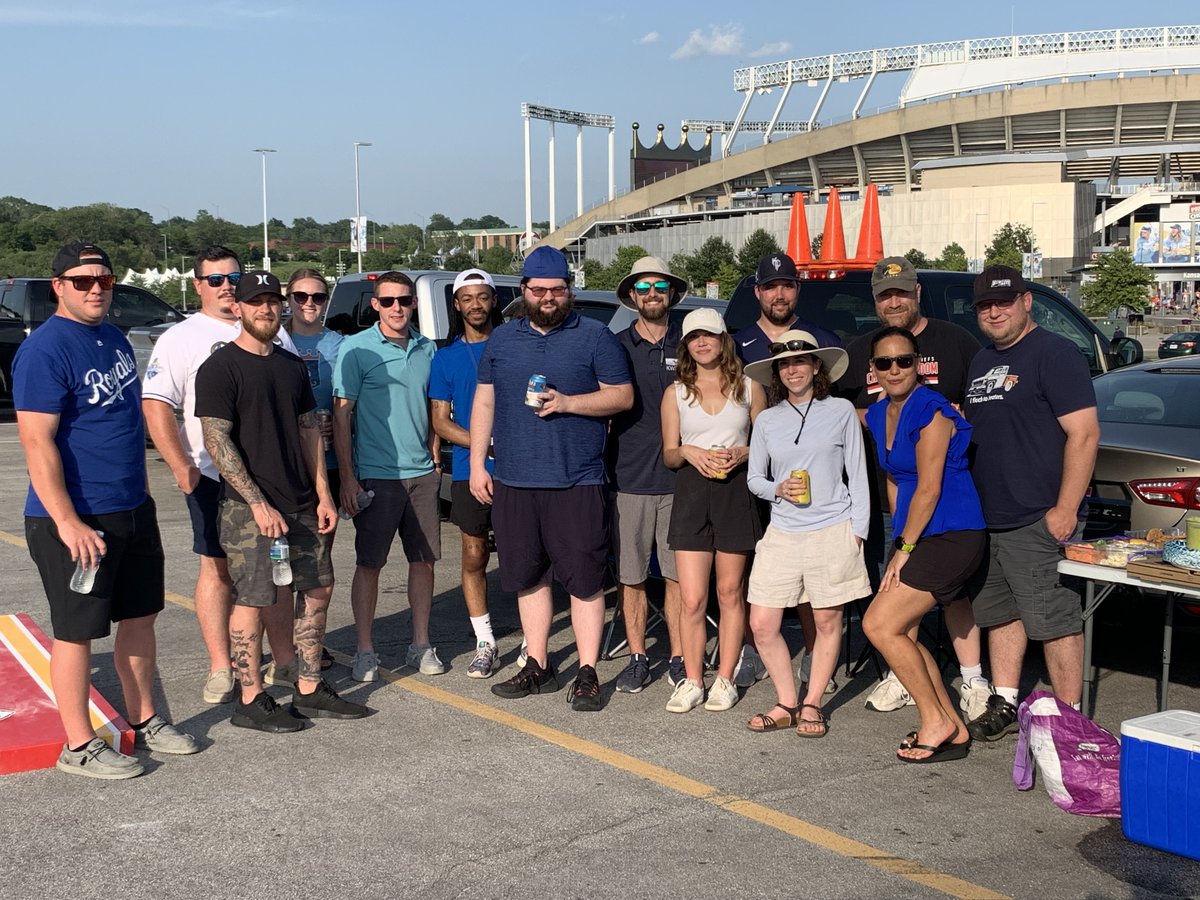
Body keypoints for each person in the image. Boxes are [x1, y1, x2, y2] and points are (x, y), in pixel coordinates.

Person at [16, 241, 198, 779]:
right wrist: (69, 522)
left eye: (105, 280)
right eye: (82, 281)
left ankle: (144, 720)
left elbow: (124, 421)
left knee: (141, 617)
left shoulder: (113, 337)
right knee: (77, 631)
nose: (96, 289)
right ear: (58, 286)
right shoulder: (46, 349)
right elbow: (36, 442)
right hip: (74, 517)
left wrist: (142, 489)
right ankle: (77, 745)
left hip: (130, 508)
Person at [196, 271, 366, 731]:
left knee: (317, 588)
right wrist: (256, 503)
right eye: (256, 302)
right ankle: (251, 698)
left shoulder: (291, 366)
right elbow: (217, 442)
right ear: (238, 308)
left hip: (301, 501)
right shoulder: (220, 367)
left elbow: (311, 430)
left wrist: (323, 495)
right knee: (253, 597)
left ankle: (308, 687)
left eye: (273, 302)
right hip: (248, 507)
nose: (266, 310)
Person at [469, 246, 632, 712]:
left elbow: (621, 397)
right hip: (516, 480)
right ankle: (537, 664)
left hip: (577, 480)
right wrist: (480, 463)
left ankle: (587, 671)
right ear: (523, 291)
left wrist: (568, 403)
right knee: (528, 576)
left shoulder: (597, 337)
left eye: (557, 290)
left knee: (584, 580)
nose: (547, 298)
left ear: (569, 291)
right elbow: (485, 403)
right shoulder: (501, 340)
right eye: (538, 290)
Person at [142, 246, 298, 705]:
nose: (226, 286)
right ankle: (221, 666)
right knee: (218, 570)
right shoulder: (181, 337)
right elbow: (156, 404)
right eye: (215, 280)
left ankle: (284, 659)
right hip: (214, 478)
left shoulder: (270, 328)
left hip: (273, 481)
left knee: (277, 571)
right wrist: (181, 466)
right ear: (197, 286)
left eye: (233, 277)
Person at [839, 256, 989, 719]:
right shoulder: (867, 365)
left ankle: (970, 685)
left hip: (949, 515)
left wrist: (905, 546)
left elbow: (977, 410)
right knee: (895, 616)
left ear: (918, 292)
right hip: (904, 514)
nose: (893, 367)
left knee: (935, 602)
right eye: (885, 294)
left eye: (902, 291)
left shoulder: (952, 349)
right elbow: (844, 411)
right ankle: (915, 692)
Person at [963, 265, 1100, 741]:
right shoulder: (982, 361)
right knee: (1000, 613)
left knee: (1053, 618)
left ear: (1027, 302)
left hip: (1039, 515)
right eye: (985, 306)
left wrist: (1065, 509)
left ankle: (1069, 719)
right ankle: (1005, 698)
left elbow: (1083, 435)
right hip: (990, 517)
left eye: (1003, 302)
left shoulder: (1055, 354)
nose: (994, 312)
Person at [860, 326, 985, 762]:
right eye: (884, 362)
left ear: (919, 364)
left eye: (904, 361)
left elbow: (929, 488)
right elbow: (897, 479)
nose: (894, 370)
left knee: (879, 625)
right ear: (873, 369)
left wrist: (904, 549)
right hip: (919, 533)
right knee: (896, 631)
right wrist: (901, 537)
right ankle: (951, 727)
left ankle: (935, 720)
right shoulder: (878, 414)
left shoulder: (931, 410)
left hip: (952, 531)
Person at [742, 330, 870, 737]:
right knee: (762, 623)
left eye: (801, 362)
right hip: (782, 530)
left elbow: (858, 474)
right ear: (777, 372)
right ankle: (786, 701)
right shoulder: (767, 420)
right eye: (784, 364)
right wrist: (777, 488)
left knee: (828, 621)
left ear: (817, 366)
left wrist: (858, 532)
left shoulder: (841, 411)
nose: (793, 369)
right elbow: (754, 479)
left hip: (833, 528)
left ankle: (812, 703)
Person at [732, 252, 840, 689]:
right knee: (747, 571)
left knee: (811, 582)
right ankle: (752, 650)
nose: (779, 293)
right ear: (757, 292)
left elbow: (843, 408)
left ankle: (814, 657)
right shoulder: (736, 344)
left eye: (788, 285)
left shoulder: (821, 339)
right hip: (753, 474)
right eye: (771, 286)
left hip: (809, 483)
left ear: (797, 289)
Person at [333, 272, 442, 683]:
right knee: (370, 565)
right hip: (377, 476)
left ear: (414, 303)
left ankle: (421, 645)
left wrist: (433, 455)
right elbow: (342, 413)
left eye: (405, 300)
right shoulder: (356, 349)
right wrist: (348, 477)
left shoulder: (427, 348)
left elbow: (436, 406)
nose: (397, 307)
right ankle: (365, 649)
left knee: (424, 562)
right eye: (389, 301)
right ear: (375, 305)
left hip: (422, 476)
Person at [660, 308, 766, 714]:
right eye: (693, 337)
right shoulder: (676, 392)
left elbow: (769, 444)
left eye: (709, 335)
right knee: (691, 598)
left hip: (736, 492)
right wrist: (687, 449)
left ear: (724, 339)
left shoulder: (750, 387)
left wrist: (744, 452)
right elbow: (669, 454)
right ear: (686, 345)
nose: (702, 343)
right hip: (690, 493)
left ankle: (725, 678)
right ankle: (691, 679)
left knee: (730, 592)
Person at [607, 256, 686, 693]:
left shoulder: (692, 342)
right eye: (643, 287)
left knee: (676, 574)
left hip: (681, 479)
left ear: (671, 292)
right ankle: (638, 657)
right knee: (632, 574)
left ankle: (678, 656)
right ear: (633, 296)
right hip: (629, 478)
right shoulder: (615, 345)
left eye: (659, 285)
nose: (652, 293)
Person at [430, 268, 502, 678]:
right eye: (467, 298)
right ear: (456, 305)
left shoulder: (512, 346)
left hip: (517, 472)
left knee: (525, 555)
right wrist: (484, 445)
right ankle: (485, 641)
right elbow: (440, 422)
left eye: (482, 297)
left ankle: (533, 639)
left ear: (493, 299)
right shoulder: (446, 357)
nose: (476, 305)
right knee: (474, 554)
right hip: (468, 472)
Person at [278, 268, 342, 677]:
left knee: (317, 564)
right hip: (283, 469)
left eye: (317, 297)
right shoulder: (275, 340)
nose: (309, 304)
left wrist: (339, 424)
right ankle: (282, 648)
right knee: (277, 564)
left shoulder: (339, 344)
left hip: (327, 466)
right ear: (288, 298)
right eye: (300, 296)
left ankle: (308, 646)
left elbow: (347, 400)